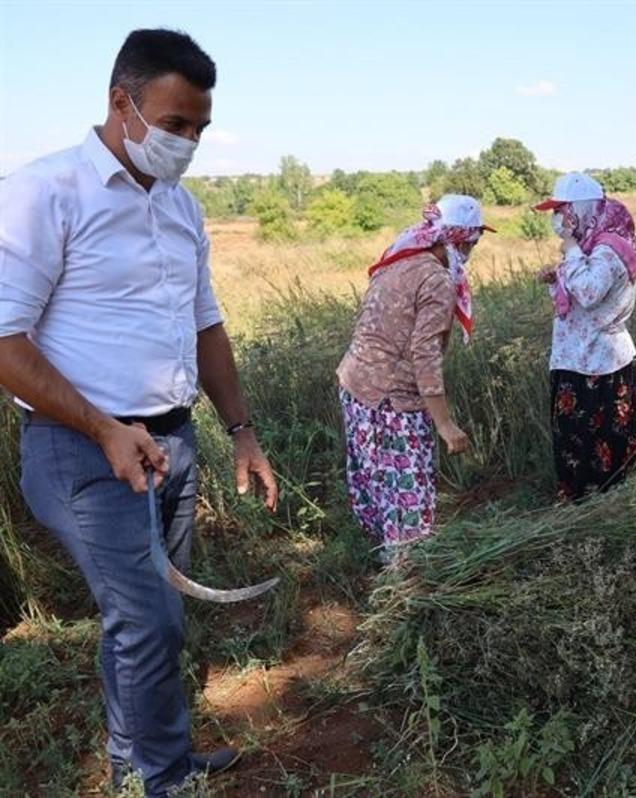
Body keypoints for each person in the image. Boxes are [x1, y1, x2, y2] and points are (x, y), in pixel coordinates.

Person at [0, 29, 277, 796]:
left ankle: (138, 754)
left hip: (171, 443)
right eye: (175, 123)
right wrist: (102, 429)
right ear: (121, 103)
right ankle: (164, 778)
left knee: (151, 619)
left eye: (200, 129)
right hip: (80, 448)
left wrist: (242, 432)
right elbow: (4, 339)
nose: (187, 142)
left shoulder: (181, 210)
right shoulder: (43, 193)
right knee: (149, 617)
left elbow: (205, 324)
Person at [336, 195, 492, 565]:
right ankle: (406, 584)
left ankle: (379, 560)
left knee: (376, 481)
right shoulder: (437, 279)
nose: (472, 249)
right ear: (455, 238)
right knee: (407, 497)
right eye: (471, 241)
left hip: (356, 386)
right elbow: (425, 354)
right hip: (393, 402)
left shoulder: (400, 258)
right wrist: (445, 423)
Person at [533, 173, 636, 501]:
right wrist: (558, 277)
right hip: (580, 359)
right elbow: (582, 299)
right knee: (579, 445)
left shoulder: (608, 248)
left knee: (595, 447)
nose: (556, 219)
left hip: (597, 364)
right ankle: (586, 518)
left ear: (581, 209)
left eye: (561, 210)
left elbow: (590, 291)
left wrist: (569, 250)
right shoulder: (592, 246)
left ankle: (598, 519)